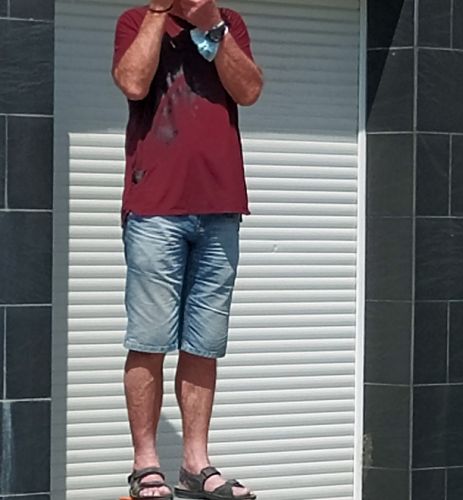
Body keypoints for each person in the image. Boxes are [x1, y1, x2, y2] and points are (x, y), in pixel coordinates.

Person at [112, 0, 263, 499]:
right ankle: (145, 464)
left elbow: (250, 90)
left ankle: (196, 464)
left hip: (220, 207)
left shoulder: (228, 23)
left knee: (204, 342)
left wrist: (213, 26)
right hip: (155, 207)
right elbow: (133, 83)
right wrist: (159, 12)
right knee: (150, 337)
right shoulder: (137, 20)